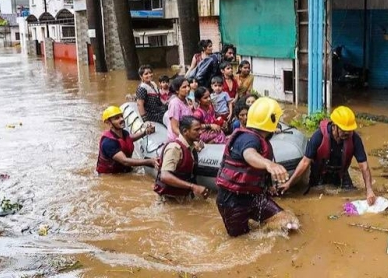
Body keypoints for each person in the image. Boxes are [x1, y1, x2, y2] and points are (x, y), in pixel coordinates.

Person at [216, 97, 296, 237]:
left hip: (254, 197)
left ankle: (263, 231)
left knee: (288, 223)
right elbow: (249, 155)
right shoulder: (248, 138)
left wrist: (269, 185)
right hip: (232, 200)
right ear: (272, 119)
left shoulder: (260, 139)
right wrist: (269, 164)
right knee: (240, 240)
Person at [279, 106, 376, 205]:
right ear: (334, 126)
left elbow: (364, 166)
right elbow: (305, 162)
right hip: (319, 174)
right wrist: (289, 183)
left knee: (351, 196)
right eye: (344, 130)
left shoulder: (355, 139)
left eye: (350, 130)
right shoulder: (318, 136)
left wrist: (369, 190)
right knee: (316, 199)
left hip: (341, 173)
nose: (347, 133)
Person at [154, 116, 209, 200]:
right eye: (196, 130)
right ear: (185, 131)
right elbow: (164, 176)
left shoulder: (191, 147)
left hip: (182, 197)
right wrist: (193, 186)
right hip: (169, 200)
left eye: (200, 129)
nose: (200, 132)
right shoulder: (174, 148)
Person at [97, 106, 159, 174]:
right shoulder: (108, 143)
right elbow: (125, 161)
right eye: (117, 118)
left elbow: (128, 140)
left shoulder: (123, 133)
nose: (121, 119)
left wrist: (145, 132)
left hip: (123, 170)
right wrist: (150, 161)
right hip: (111, 175)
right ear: (109, 123)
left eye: (121, 116)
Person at [165, 77, 192, 141]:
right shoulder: (175, 103)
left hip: (187, 134)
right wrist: (187, 139)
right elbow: (174, 128)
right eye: (184, 87)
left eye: (188, 86)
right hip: (178, 139)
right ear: (177, 90)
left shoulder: (185, 100)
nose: (188, 89)